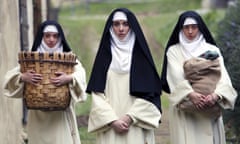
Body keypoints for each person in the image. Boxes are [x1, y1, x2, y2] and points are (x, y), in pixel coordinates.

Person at [3, 20, 87, 144]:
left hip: (60, 117)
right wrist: (23, 77)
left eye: (55, 36)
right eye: (47, 35)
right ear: (41, 37)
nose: (51, 39)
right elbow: (9, 77)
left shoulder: (68, 58)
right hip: (37, 116)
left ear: (60, 37)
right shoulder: (32, 59)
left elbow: (81, 73)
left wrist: (69, 78)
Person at [86, 8, 162, 144]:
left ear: (131, 26)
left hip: (135, 124)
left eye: (125, 24)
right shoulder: (104, 58)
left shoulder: (141, 58)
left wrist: (129, 117)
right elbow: (97, 95)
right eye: (116, 24)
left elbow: (151, 96)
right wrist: (112, 121)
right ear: (111, 27)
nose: (121, 28)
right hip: (110, 127)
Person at [160, 10, 237, 144]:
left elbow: (223, 77)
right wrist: (191, 94)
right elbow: (176, 76)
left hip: (210, 108)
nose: (190, 31)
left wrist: (216, 95)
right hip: (186, 112)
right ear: (181, 28)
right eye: (186, 27)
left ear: (199, 27)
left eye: (194, 27)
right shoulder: (174, 51)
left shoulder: (212, 50)